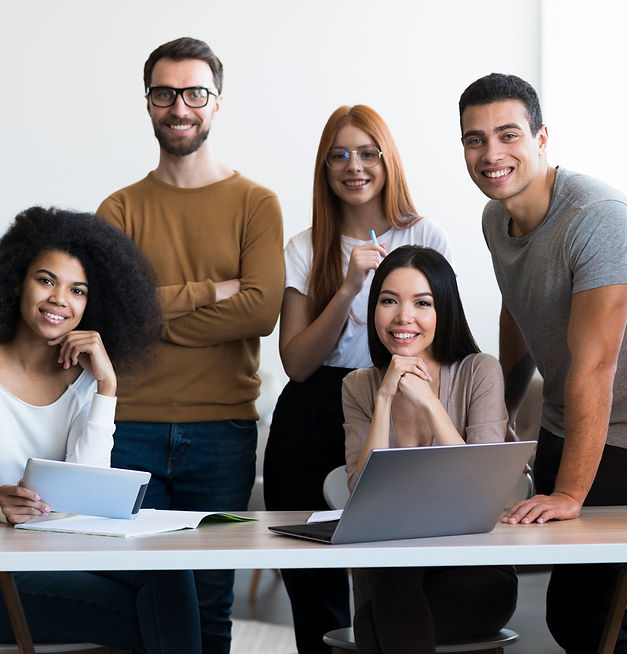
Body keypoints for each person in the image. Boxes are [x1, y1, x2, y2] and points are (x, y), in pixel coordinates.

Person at [458, 73, 627, 653]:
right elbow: (518, 311)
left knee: (583, 616)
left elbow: (596, 366)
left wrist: (569, 495)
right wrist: (503, 415)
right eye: (475, 139)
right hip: (566, 426)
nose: (491, 154)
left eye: (508, 134)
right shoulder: (495, 218)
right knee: (585, 619)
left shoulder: (599, 218)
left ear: (541, 138)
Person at [0, 206, 202, 654]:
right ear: (15, 281)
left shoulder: (85, 376)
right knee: (154, 616)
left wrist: (106, 387)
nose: (60, 298)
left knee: (168, 571)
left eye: (78, 290)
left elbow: (86, 489)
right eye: (46, 280)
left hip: (53, 549)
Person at [96, 37, 284, 654]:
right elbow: (111, 317)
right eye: (165, 94)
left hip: (222, 431)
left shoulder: (256, 204)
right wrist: (210, 292)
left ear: (217, 102)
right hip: (131, 427)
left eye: (195, 93)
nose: (180, 107)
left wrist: (151, 311)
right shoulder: (119, 210)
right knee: (143, 595)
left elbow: (260, 311)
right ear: (148, 102)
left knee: (209, 597)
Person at [262, 105, 451, 653]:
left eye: (368, 153)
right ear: (324, 168)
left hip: (391, 399)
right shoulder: (304, 247)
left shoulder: (425, 235)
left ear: (388, 161)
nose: (355, 166)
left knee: (391, 577)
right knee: (312, 583)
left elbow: (442, 336)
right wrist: (348, 288)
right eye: (339, 155)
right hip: (313, 410)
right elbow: (297, 363)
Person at [341, 246, 517, 654]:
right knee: (391, 578)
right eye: (389, 301)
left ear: (445, 310)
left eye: (422, 303)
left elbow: (481, 492)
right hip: (391, 572)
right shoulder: (358, 387)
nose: (403, 317)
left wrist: (430, 404)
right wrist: (385, 399)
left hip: (473, 571)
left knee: (372, 621)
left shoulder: (479, 371)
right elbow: (360, 494)